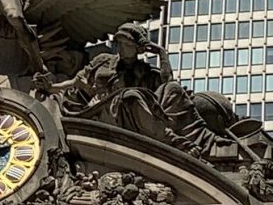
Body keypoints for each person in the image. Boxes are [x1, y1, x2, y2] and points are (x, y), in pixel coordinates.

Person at [36, 23, 230, 156]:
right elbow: (76, 82)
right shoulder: (104, 61)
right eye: (120, 43)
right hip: (102, 110)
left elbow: (167, 82)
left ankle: (202, 138)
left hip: (135, 114)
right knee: (130, 95)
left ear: (137, 48)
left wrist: (162, 53)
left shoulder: (144, 71)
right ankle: (173, 140)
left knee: (172, 89)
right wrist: (51, 87)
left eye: (127, 44)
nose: (122, 48)